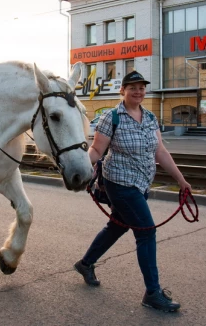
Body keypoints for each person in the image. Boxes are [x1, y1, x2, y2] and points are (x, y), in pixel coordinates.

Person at [73, 70, 192, 313]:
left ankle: (85, 263)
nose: (138, 91)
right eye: (132, 87)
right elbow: (96, 151)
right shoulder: (111, 118)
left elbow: (160, 152)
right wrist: (82, 168)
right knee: (146, 232)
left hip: (141, 184)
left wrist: (181, 180)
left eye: (141, 87)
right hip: (120, 184)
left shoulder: (149, 117)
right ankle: (153, 292)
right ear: (122, 91)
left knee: (117, 226)